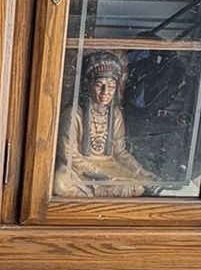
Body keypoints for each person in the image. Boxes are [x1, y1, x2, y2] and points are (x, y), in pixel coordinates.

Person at [52, 50, 161, 199]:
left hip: (109, 167)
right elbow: (69, 155)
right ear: (88, 85)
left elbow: (120, 153)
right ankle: (95, 194)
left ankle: (92, 195)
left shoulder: (115, 114)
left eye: (110, 86)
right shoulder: (73, 114)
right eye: (99, 85)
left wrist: (140, 171)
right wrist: (97, 173)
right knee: (60, 183)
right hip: (81, 170)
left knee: (138, 187)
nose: (105, 92)